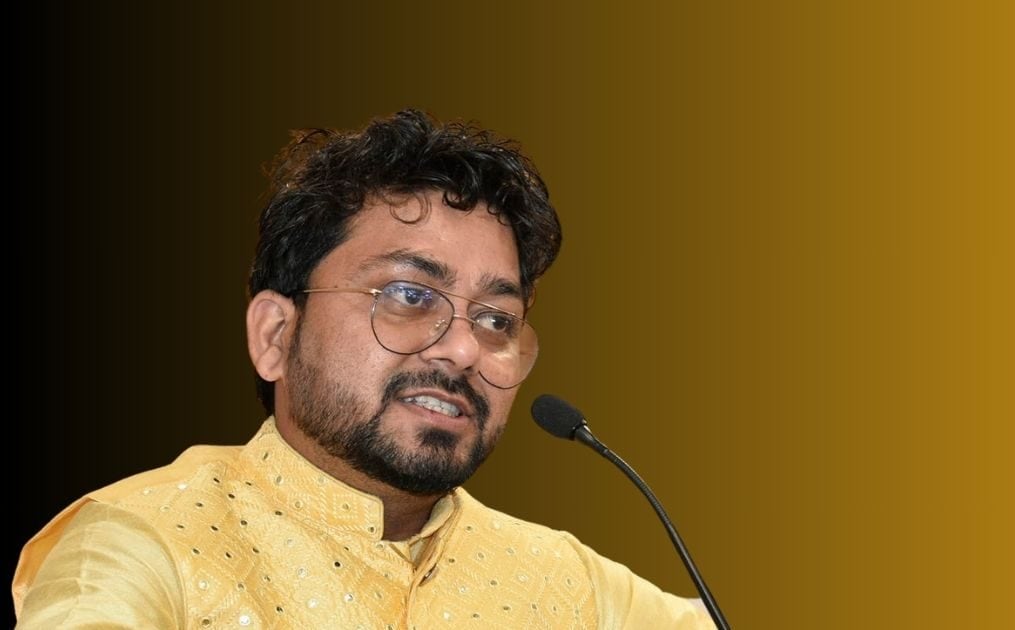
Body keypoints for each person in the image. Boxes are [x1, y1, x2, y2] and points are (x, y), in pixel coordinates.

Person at [13, 111, 714, 628]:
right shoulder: (145, 546)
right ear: (276, 334)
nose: (463, 350)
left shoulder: (572, 586)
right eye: (409, 295)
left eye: (497, 320)